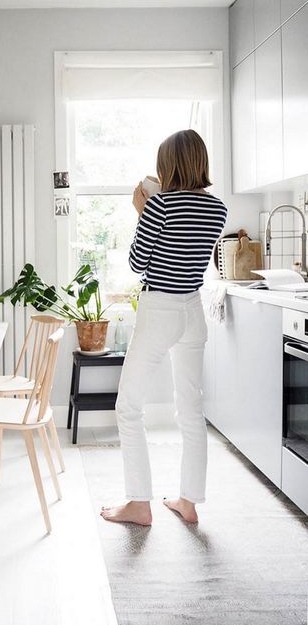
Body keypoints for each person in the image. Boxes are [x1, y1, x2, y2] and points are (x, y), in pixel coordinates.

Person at [101, 129, 227, 526]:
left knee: (128, 406)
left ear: (167, 165)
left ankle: (139, 503)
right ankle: (189, 501)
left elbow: (139, 264)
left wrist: (143, 211)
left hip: (160, 309)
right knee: (191, 407)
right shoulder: (218, 208)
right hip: (193, 311)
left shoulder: (159, 206)